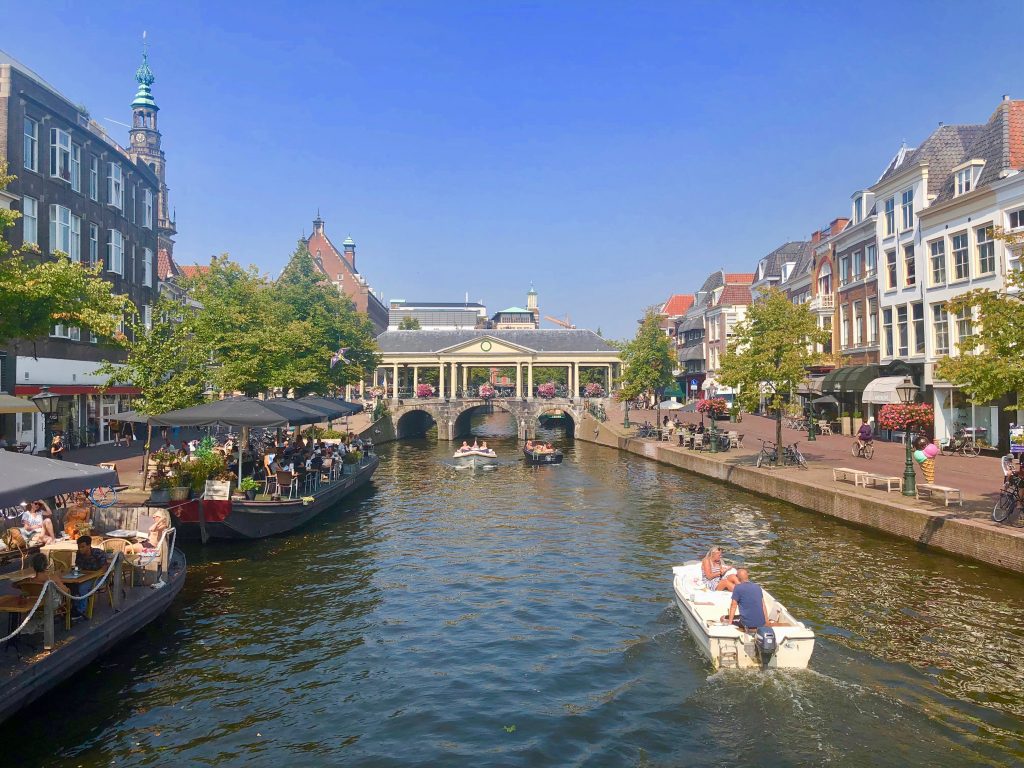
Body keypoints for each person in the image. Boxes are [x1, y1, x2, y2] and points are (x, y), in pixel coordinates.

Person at [71, 536, 107, 620]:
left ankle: (81, 611)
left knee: (82, 587)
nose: (80, 549)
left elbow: (104, 569)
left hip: (99, 578)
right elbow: (78, 567)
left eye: (83, 547)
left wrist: (91, 576)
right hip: (83, 577)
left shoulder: (98, 553)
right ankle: (74, 607)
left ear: (89, 545)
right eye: (79, 547)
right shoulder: (79, 554)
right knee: (71, 586)